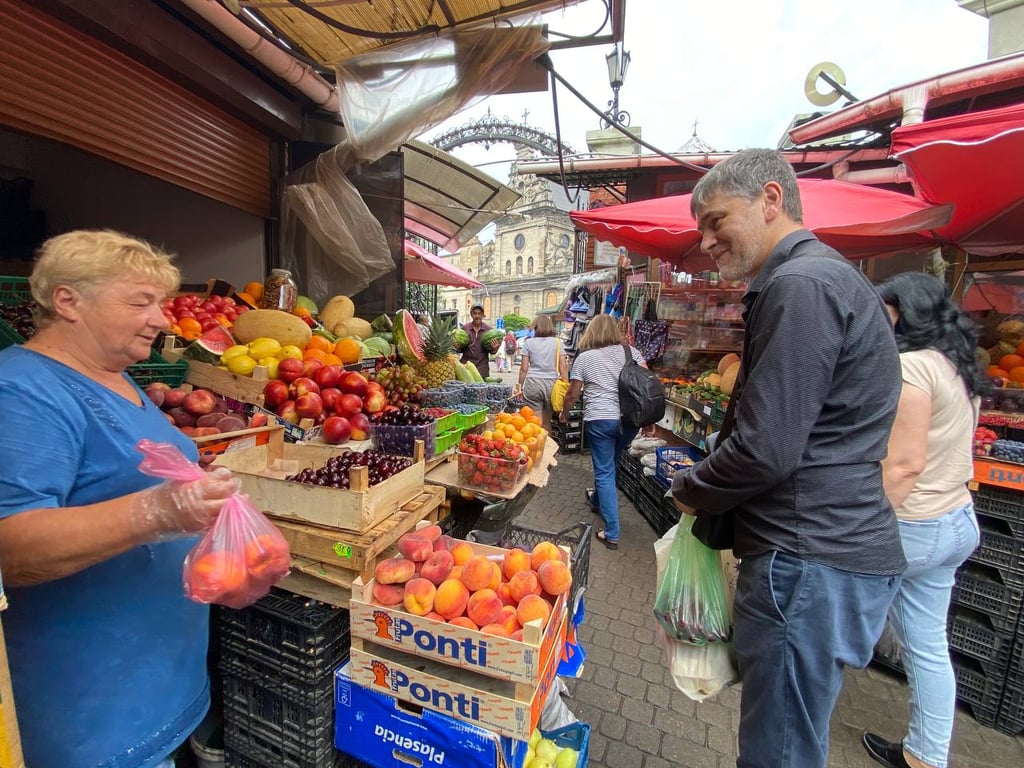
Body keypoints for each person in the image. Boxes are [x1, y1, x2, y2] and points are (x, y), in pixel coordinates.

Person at [668, 149, 905, 767]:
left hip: (805, 558)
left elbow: (764, 450)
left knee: (779, 752)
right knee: (793, 738)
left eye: (717, 220)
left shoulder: (799, 286)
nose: (707, 240)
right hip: (824, 552)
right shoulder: (823, 279)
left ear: (771, 200)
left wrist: (692, 488)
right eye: (701, 228)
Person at [0, 230, 240, 768]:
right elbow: (10, 546)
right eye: (140, 302)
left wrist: (196, 485)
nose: (161, 319)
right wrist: (156, 512)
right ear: (68, 301)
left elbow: (125, 473)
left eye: (159, 302)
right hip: (91, 715)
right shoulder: (22, 392)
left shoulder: (118, 378)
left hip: (159, 684)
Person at [862, 273, 984, 768]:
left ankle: (799, 726)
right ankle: (926, 755)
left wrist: (866, 531)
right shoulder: (957, 366)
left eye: (886, 310)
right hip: (956, 519)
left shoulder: (912, 367)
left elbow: (905, 465)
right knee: (929, 647)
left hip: (914, 526)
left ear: (905, 311)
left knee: (835, 622)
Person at [558, 313, 646, 550]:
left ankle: (612, 532)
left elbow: (573, 393)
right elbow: (647, 383)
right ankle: (596, 499)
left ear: (591, 332)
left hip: (601, 420)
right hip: (629, 420)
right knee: (609, 465)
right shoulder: (632, 353)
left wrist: (565, 413)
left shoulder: (585, 358)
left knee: (605, 472)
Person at [515, 315, 567, 431]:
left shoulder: (528, 343)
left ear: (536, 327)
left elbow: (524, 369)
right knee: (547, 422)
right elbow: (563, 367)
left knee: (536, 422)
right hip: (551, 385)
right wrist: (565, 385)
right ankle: (547, 447)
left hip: (533, 383)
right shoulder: (558, 343)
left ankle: (536, 446)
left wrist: (519, 386)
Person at [460, 304, 492, 380]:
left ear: (483, 315)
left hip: (482, 369)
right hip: (466, 368)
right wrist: (457, 346)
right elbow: (460, 349)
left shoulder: (488, 330)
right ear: (471, 314)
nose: (477, 316)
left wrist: (495, 347)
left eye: (479, 313)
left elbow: (493, 352)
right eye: (475, 313)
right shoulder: (465, 328)